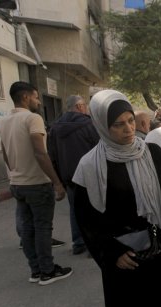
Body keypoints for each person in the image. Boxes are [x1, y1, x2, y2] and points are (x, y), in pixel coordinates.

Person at [72, 90, 161, 307]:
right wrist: (111, 252)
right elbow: (87, 220)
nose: (129, 129)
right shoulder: (89, 167)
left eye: (131, 120)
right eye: (118, 124)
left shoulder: (152, 153)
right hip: (126, 260)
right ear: (102, 126)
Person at [0, 81, 72, 285]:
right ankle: (47, 271)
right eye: (36, 97)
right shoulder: (33, 118)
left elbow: (5, 153)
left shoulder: (3, 122)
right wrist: (56, 182)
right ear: (25, 97)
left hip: (17, 183)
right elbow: (40, 152)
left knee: (28, 228)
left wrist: (15, 172)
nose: (39, 101)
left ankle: (36, 270)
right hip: (37, 183)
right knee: (42, 227)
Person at [47, 95, 100, 255]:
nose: (86, 108)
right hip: (89, 175)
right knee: (93, 210)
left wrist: (59, 180)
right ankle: (93, 246)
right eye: (84, 105)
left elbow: (52, 155)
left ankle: (78, 243)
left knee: (75, 209)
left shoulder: (55, 128)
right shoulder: (89, 124)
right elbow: (98, 149)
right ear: (78, 107)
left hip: (68, 177)